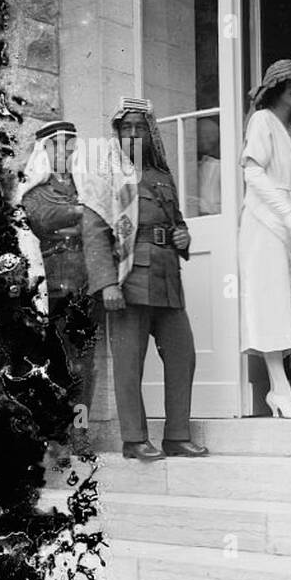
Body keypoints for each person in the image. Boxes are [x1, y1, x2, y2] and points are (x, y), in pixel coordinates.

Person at [77, 97, 208, 461]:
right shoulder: (105, 175)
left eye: (140, 127)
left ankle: (177, 436)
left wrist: (184, 237)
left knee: (183, 355)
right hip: (128, 279)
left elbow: (176, 221)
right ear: (117, 134)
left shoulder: (162, 175)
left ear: (150, 133)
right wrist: (107, 284)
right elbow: (94, 233)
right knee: (129, 362)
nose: (133, 133)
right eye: (125, 128)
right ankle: (134, 440)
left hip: (167, 279)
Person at [239, 59, 291, 419]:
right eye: (290, 83)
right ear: (274, 88)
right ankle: (280, 390)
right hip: (264, 221)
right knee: (271, 304)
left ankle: (280, 390)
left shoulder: (289, 131)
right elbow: (252, 170)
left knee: (285, 305)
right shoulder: (262, 121)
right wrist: (287, 215)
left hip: (287, 223)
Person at [18, 120, 100, 455]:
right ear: (45, 149)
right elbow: (45, 216)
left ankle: (78, 433)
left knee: (85, 364)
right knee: (59, 363)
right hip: (54, 285)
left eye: (70, 143)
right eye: (59, 143)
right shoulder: (35, 190)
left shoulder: (82, 186)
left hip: (86, 281)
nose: (66, 149)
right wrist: (85, 213)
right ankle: (56, 434)